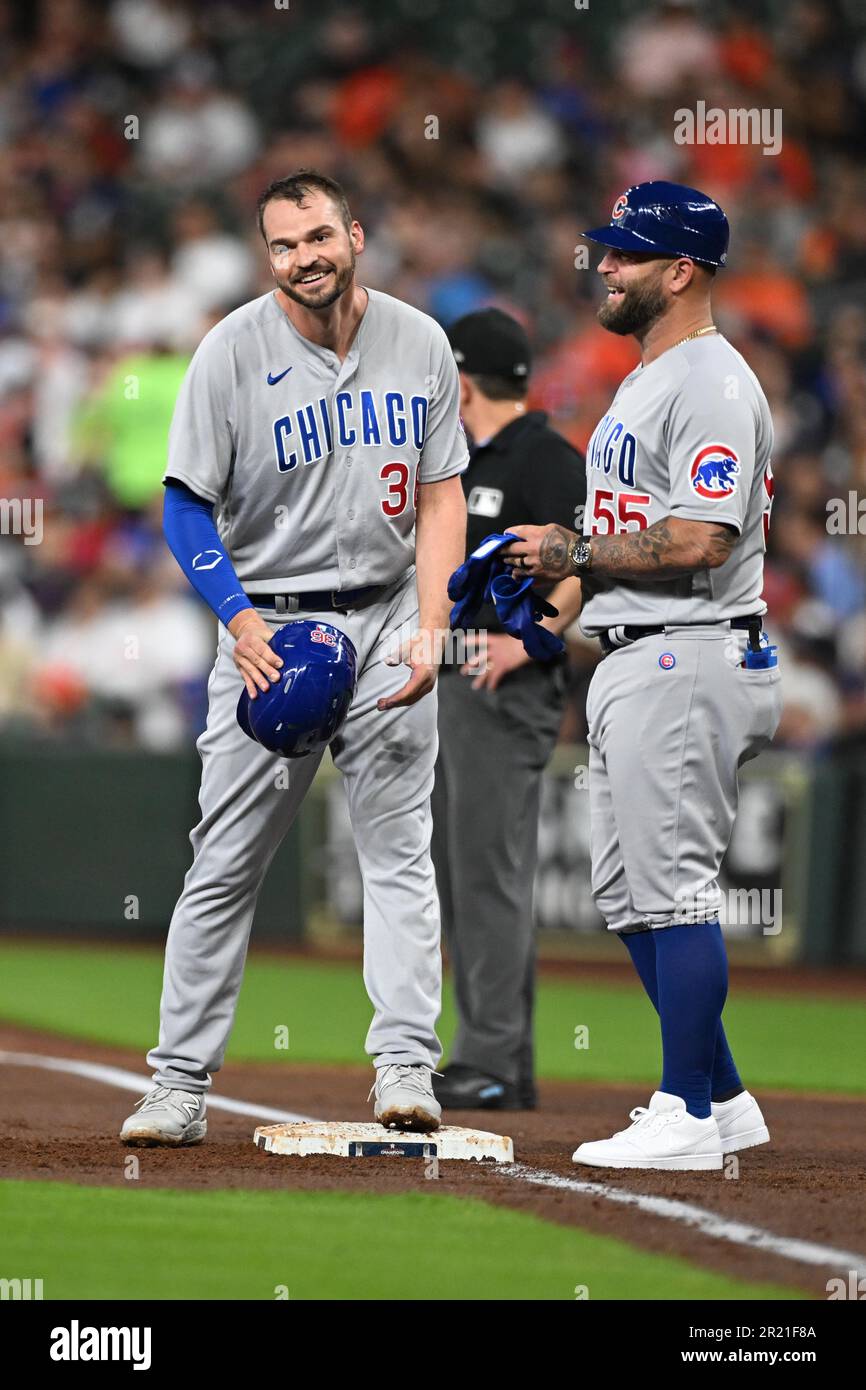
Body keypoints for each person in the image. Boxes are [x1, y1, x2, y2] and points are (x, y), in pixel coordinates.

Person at [119, 169, 468, 1146]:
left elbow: (441, 496)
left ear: (354, 233)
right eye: (281, 245)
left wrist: (433, 622)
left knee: (397, 856)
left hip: (389, 611)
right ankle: (179, 1084)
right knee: (224, 862)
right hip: (269, 627)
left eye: (317, 236)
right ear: (264, 255)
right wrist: (236, 622)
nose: (302, 258)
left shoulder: (420, 340)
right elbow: (184, 501)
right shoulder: (229, 352)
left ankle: (405, 1068)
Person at [503, 182, 782, 1170]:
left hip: (686, 646)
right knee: (628, 898)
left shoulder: (706, 378)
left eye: (624, 254)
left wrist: (566, 551)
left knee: (671, 893)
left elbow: (700, 539)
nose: (603, 267)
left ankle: (681, 1115)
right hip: (641, 652)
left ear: (681, 271)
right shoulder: (650, 376)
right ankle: (721, 1094)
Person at [431, 308, 585, 1112]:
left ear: (460, 380)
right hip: (454, 678)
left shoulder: (543, 456)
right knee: (462, 875)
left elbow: (591, 556)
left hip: (504, 682)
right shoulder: (463, 456)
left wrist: (532, 644)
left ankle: (488, 1057)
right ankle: (504, 1062)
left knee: (487, 874)